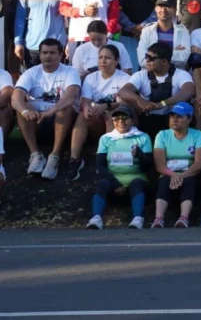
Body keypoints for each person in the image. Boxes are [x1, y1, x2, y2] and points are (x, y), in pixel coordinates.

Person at [13, 38, 82, 180]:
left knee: (64, 109)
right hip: (37, 119)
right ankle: (35, 155)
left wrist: (51, 111)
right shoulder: (31, 72)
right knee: (22, 109)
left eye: (52, 53)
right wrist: (25, 111)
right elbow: (16, 96)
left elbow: (70, 97)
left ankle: (54, 156)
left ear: (60, 54)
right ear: (39, 54)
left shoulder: (70, 72)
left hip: (61, 118)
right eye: (44, 53)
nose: (47, 56)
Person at [67, 44, 132, 182]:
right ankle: (74, 159)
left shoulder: (125, 78)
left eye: (107, 58)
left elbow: (124, 103)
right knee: (82, 116)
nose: (103, 61)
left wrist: (106, 106)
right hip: (97, 118)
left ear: (116, 60)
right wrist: (87, 108)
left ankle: (114, 160)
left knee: (114, 114)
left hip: (115, 117)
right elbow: (85, 101)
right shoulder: (91, 78)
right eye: (100, 57)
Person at [85, 105, 152, 230]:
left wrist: (140, 155)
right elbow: (100, 166)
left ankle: (138, 218)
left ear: (132, 120)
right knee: (102, 184)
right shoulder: (106, 138)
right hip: (114, 185)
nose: (121, 121)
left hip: (137, 184)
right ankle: (96, 218)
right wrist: (116, 183)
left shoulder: (143, 137)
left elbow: (148, 167)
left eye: (125, 118)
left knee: (137, 183)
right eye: (116, 119)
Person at [116, 42, 196, 137]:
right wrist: (139, 100)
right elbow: (123, 91)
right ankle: (131, 139)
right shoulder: (141, 75)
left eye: (151, 58)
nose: (147, 60)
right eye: (146, 56)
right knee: (125, 103)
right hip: (146, 117)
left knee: (182, 105)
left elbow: (189, 91)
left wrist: (163, 104)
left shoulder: (181, 74)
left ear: (164, 61)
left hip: (171, 118)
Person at [152, 102, 201, 228]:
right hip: (168, 173)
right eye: (172, 116)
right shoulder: (162, 135)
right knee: (164, 182)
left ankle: (184, 218)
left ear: (189, 119)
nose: (174, 119)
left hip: (190, 173)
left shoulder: (198, 135)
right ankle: (158, 218)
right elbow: (160, 165)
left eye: (179, 116)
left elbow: (199, 163)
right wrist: (173, 175)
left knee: (189, 182)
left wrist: (180, 176)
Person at [136, 0, 190, 70]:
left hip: (175, 73)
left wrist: (153, 56)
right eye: (160, 6)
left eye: (168, 6)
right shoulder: (147, 30)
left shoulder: (183, 31)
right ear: (156, 9)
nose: (164, 10)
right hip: (151, 74)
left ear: (175, 10)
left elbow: (183, 58)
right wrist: (173, 51)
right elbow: (142, 60)